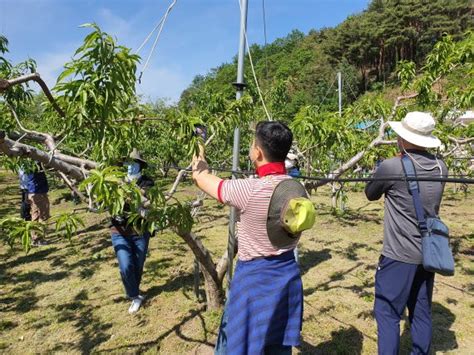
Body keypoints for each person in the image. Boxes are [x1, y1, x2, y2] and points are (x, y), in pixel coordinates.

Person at [192, 121, 314, 355]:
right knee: (277, 344)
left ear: (257, 152)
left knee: (239, 343)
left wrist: (199, 143)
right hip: (287, 277)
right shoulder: (296, 188)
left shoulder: (248, 190)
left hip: (254, 281)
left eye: (252, 144)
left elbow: (201, 177)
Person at [365, 112, 448, 354]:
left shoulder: (392, 165)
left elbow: (371, 193)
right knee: (421, 311)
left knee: (388, 312)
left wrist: (382, 168)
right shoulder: (441, 166)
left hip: (398, 254)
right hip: (428, 253)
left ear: (406, 138)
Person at [110, 149, 154, 314]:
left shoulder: (147, 182)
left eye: (133, 163)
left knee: (137, 264)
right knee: (126, 265)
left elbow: (145, 200)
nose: (130, 166)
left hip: (140, 231)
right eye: (127, 163)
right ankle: (134, 295)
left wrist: (127, 189)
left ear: (140, 166)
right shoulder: (116, 182)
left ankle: (135, 291)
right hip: (119, 230)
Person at [25, 164, 50, 246]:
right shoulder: (35, 163)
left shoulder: (26, 164)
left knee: (35, 215)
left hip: (32, 192)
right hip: (38, 192)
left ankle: (34, 238)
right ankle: (39, 239)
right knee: (43, 215)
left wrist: (26, 194)